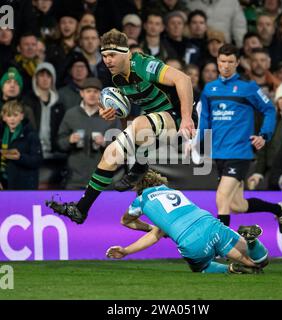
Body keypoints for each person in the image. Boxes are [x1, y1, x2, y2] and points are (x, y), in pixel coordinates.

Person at [46, 28, 196, 224]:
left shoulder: (143, 65)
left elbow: (183, 79)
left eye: (111, 55)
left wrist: (186, 118)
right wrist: (111, 112)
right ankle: (81, 209)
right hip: (154, 122)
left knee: (140, 123)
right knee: (110, 153)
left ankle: (140, 166)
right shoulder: (117, 78)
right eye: (104, 56)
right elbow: (129, 113)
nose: (107, 60)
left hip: (178, 117)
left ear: (126, 53)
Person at [197, 44, 282, 233]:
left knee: (221, 198)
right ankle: (278, 209)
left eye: (231, 62)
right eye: (223, 61)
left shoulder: (248, 88)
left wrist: (264, 135)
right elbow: (205, 120)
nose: (226, 65)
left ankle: (222, 248)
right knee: (237, 205)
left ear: (238, 63)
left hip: (240, 152)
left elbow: (269, 109)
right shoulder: (209, 89)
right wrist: (198, 143)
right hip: (219, 153)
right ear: (217, 61)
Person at [106, 170, 269, 275]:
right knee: (261, 262)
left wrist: (126, 251)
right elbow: (158, 231)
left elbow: (127, 222)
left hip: (190, 240)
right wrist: (156, 228)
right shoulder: (174, 191)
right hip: (210, 224)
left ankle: (231, 269)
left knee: (201, 268)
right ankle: (252, 243)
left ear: (136, 186)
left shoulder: (141, 200)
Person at [57, 77, 122, 189]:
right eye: (88, 91)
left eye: (96, 91)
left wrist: (105, 143)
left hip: (103, 180)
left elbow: (120, 148)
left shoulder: (110, 116)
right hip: (75, 180)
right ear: (82, 93)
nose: (92, 94)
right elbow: (59, 143)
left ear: (101, 94)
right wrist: (69, 140)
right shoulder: (71, 114)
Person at [0, 100, 42, 190]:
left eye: (15, 115)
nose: (12, 119)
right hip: (4, 182)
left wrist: (20, 157)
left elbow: (37, 160)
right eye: (9, 115)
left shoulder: (31, 134)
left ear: (22, 116)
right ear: (3, 117)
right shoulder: (1, 134)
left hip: (24, 184)